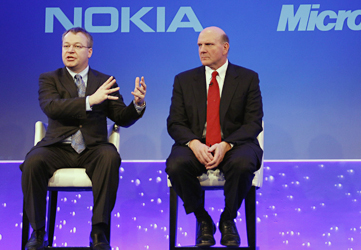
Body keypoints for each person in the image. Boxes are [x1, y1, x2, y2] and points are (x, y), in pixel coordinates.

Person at [20, 27, 147, 250]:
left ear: (89, 52)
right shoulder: (50, 79)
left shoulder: (105, 80)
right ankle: (39, 231)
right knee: (33, 161)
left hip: (92, 149)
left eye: (77, 46)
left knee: (110, 156)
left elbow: (120, 117)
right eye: (66, 46)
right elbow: (51, 107)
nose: (70, 50)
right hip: (58, 147)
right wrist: (90, 100)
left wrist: (137, 106)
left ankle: (99, 231)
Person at [166, 26, 263, 247]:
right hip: (196, 144)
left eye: (208, 44)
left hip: (235, 144)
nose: (202, 50)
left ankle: (228, 218)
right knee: (176, 165)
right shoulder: (183, 80)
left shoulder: (247, 78)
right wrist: (193, 143)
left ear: (225, 47)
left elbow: (253, 122)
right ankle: (202, 219)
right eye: (199, 45)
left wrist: (227, 144)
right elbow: (175, 122)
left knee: (243, 163)